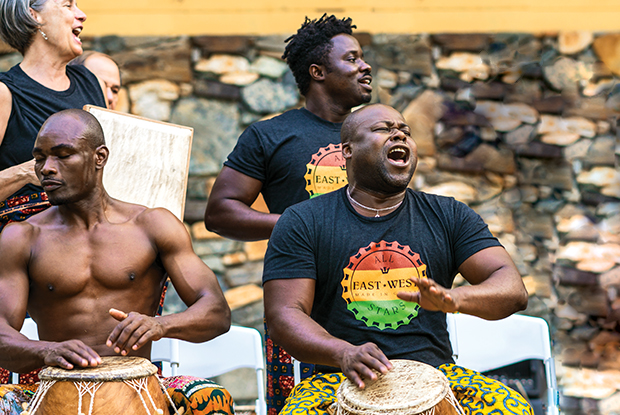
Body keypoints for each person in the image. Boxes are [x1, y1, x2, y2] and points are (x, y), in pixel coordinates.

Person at [263, 104, 533, 415]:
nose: (398, 134)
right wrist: (343, 352)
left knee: (511, 407)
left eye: (405, 131)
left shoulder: (450, 215)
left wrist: (453, 298)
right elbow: (284, 314)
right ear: (347, 150)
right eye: (383, 129)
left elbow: (513, 290)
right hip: (336, 377)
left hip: (438, 374)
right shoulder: (303, 220)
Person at [0, 109, 235, 415]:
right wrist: (49, 350)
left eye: (62, 155)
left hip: (141, 384)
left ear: (99, 157)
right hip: (54, 387)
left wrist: (159, 325)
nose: (47, 168)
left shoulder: (152, 225)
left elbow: (217, 312)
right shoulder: (22, 237)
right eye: (40, 157)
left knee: (211, 397)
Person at [204, 14, 372, 412]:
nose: (365, 66)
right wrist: (296, 224)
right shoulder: (271, 135)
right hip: (300, 298)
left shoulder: (377, 133)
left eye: (363, 57)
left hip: (373, 292)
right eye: (352, 59)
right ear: (318, 72)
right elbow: (220, 212)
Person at [0, 0, 107, 233]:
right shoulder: (4, 92)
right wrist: (28, 171)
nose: (82, 15)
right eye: (67, 5)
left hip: (93, 238)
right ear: (34, 15)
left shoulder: (91, 83)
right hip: (27, 247)